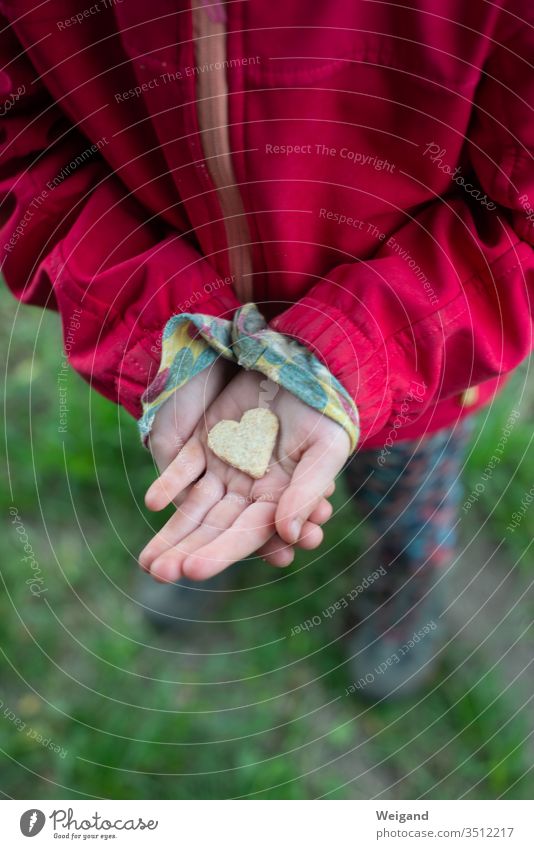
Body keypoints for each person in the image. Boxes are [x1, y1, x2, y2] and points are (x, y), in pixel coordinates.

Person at [1, 1, 532, 698]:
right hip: (190, 333)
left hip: (422, 369)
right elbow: (24, 149)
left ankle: (406, 584)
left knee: (409, 500)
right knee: (208, 474)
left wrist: (349, 356)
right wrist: (171, 333)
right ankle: (222, 541)